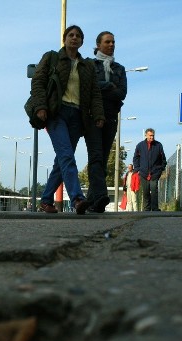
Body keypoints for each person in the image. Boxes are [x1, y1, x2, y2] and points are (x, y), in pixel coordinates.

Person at [32, 25, 105, 215]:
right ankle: (77, 198)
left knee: (62, 160)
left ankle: (46, 200)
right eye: (70, 35)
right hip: (57, 113)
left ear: (82, 41)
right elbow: (38, 82)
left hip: (77, 116)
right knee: (66, 155)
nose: (74, 38)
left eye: (78, 36)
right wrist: (41, 106)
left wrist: (98, 115)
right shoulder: (51, 57)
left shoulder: (87, 65)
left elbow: (95, 93)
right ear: (65, 39)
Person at [85, 30, 127, 213]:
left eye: (113, 42)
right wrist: (109, 86)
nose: (111, 45)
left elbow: (122, 93)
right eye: (108, 42)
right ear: (98, 45)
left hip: (111, 117)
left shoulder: (119, 69)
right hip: (92, 115)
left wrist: (104, 89)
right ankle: (101, 195)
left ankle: (92, 201)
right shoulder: (89, 65)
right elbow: (88, 88)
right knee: (95, 155)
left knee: (102, 157)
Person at [132, 128, 167, 211]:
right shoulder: (140, 145)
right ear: (146, 135)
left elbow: (163, 159)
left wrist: (161, 169)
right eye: (150, 135)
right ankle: (146, 209)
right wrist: (137, 169)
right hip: (143, 173)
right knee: (146, 191)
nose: (152, 137)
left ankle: (155, 208)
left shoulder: (158, 145)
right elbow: (136, 158)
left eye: (153, 135)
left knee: (154, 190)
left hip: (155, 173)